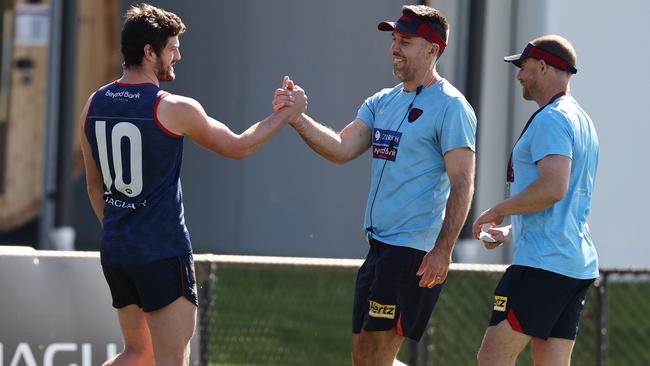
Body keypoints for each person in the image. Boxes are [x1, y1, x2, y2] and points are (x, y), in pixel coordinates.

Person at [79, 4, 305, 365]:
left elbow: (94, 185)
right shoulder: (172, 107)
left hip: (118, 249)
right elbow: (238, 146)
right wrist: (286, 114)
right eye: (172, 48)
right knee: (172, 360)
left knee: (137, 354)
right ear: (149, 52)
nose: (178, 55)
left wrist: (122, 231)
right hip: (162, 252)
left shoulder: (95, 102)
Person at [274, 5, 476, 365]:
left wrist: (443, 250)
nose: (394, 48)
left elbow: (463, 183)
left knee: (375, 359)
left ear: (433, 49)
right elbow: (341, 148)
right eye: (394, 39)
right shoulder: (382, 102)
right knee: (364, 358)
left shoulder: (451, 107)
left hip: (413, 253)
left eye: (406, 41)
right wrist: (297, 118)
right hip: (379, 248)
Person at [472, 35, 598, 366]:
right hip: (572, 264)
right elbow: (566, 203)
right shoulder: (581, 120)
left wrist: (498, 210)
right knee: (550, 361)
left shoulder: (553, 118)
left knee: (492, 357)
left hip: (543, 265)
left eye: (523, 67)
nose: (518, 76)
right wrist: (513, 230)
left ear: (542, 66)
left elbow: (553, 188)